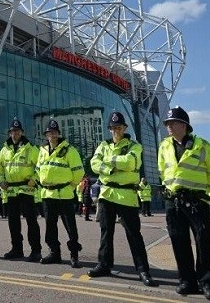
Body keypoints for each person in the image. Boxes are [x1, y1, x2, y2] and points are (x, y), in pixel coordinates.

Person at [158, 106, 210, 300]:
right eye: (167, 123)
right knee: (179, 241)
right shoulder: (164, 146)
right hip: (174, 202)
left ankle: (207, 282)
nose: (169, 126)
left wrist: (204, 192)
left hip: (197, 201)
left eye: (173, 122)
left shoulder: (202, 145)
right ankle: (186, 280)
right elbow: (163, 170)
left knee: (202, 241)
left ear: (184, 125)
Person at [87, 111, 156, 287]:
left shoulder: (135, 145)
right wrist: (111, 168)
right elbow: (94, 164)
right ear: (109, 129)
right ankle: (104, 265)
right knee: (105, 233)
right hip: (107, 194)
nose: (116, 130)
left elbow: (130, 163)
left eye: (119, 127)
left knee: (134, 234)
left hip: (127, 196)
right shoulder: (103, 145)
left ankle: (142, 269)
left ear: (124, 128)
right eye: (113, 128)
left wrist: (108, 162)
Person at [35, 119, 85, 268]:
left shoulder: (69, 150)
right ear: (46, 135)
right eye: (50, 132)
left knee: (70, 227)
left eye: (55, 132)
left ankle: (74, 255)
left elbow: (79, 172)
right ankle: (54, 253)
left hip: (64, 194)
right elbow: (38, 170)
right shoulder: (42, 151)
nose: (53, 135)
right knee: (50, 227)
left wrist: (70, 186)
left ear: (59, 133)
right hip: (48, 195)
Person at [0, 117, 42, 262]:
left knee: (31, 221)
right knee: (13, 222)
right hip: (11, 190)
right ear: (9, 133)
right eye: (13, 131)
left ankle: (36, 251)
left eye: (17, 131)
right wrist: (2, 180)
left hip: (26, 189)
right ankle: (17, 249)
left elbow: (40, 166)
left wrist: (34, 178)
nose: (15, 134)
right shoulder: (4, 150)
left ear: (22, 132)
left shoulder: (31, 148)